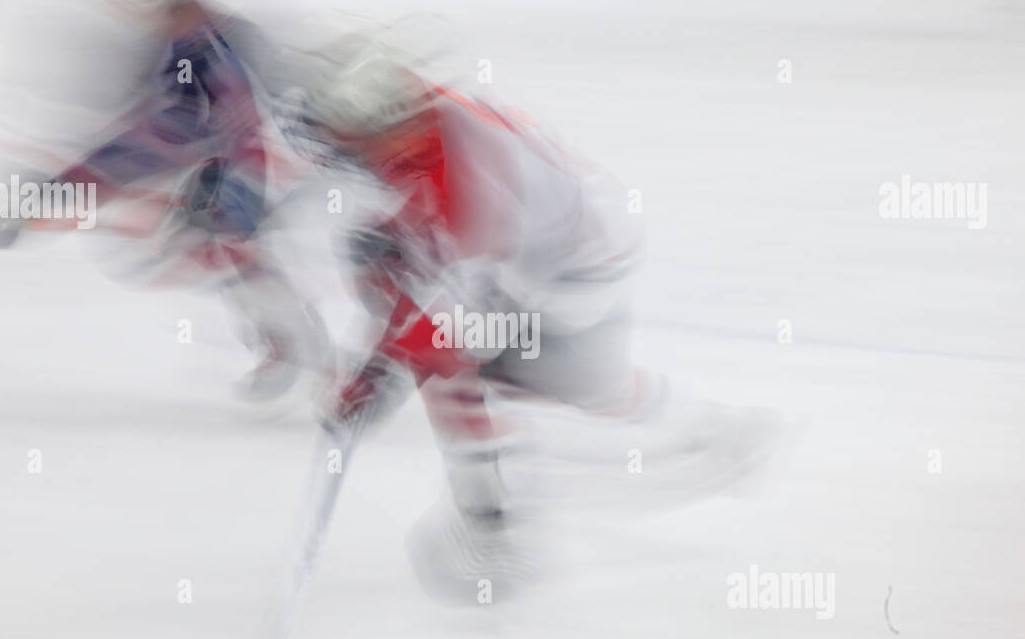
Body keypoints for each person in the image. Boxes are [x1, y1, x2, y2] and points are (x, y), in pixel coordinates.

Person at [295, 37, 786, 602]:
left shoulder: (462, 185)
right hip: (553, 252)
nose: (337, 151)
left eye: (346, 138)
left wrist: (373, 378)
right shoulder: (420, 117)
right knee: (527, 373)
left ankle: (496, 520)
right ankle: (715, 434)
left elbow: (441, 318)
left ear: (381, 127)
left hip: (569, 277)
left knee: (482, 365)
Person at [0, 0, 331, 402]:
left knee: (221, 242)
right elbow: (154, 141)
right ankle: (287, 338)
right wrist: (50, 195)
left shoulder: (200, 61)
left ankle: (291, 341)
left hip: (243, 166)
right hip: (235, 164)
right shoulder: (195, 50)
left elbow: (163, 140)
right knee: (216, 244)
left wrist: (51, 195)